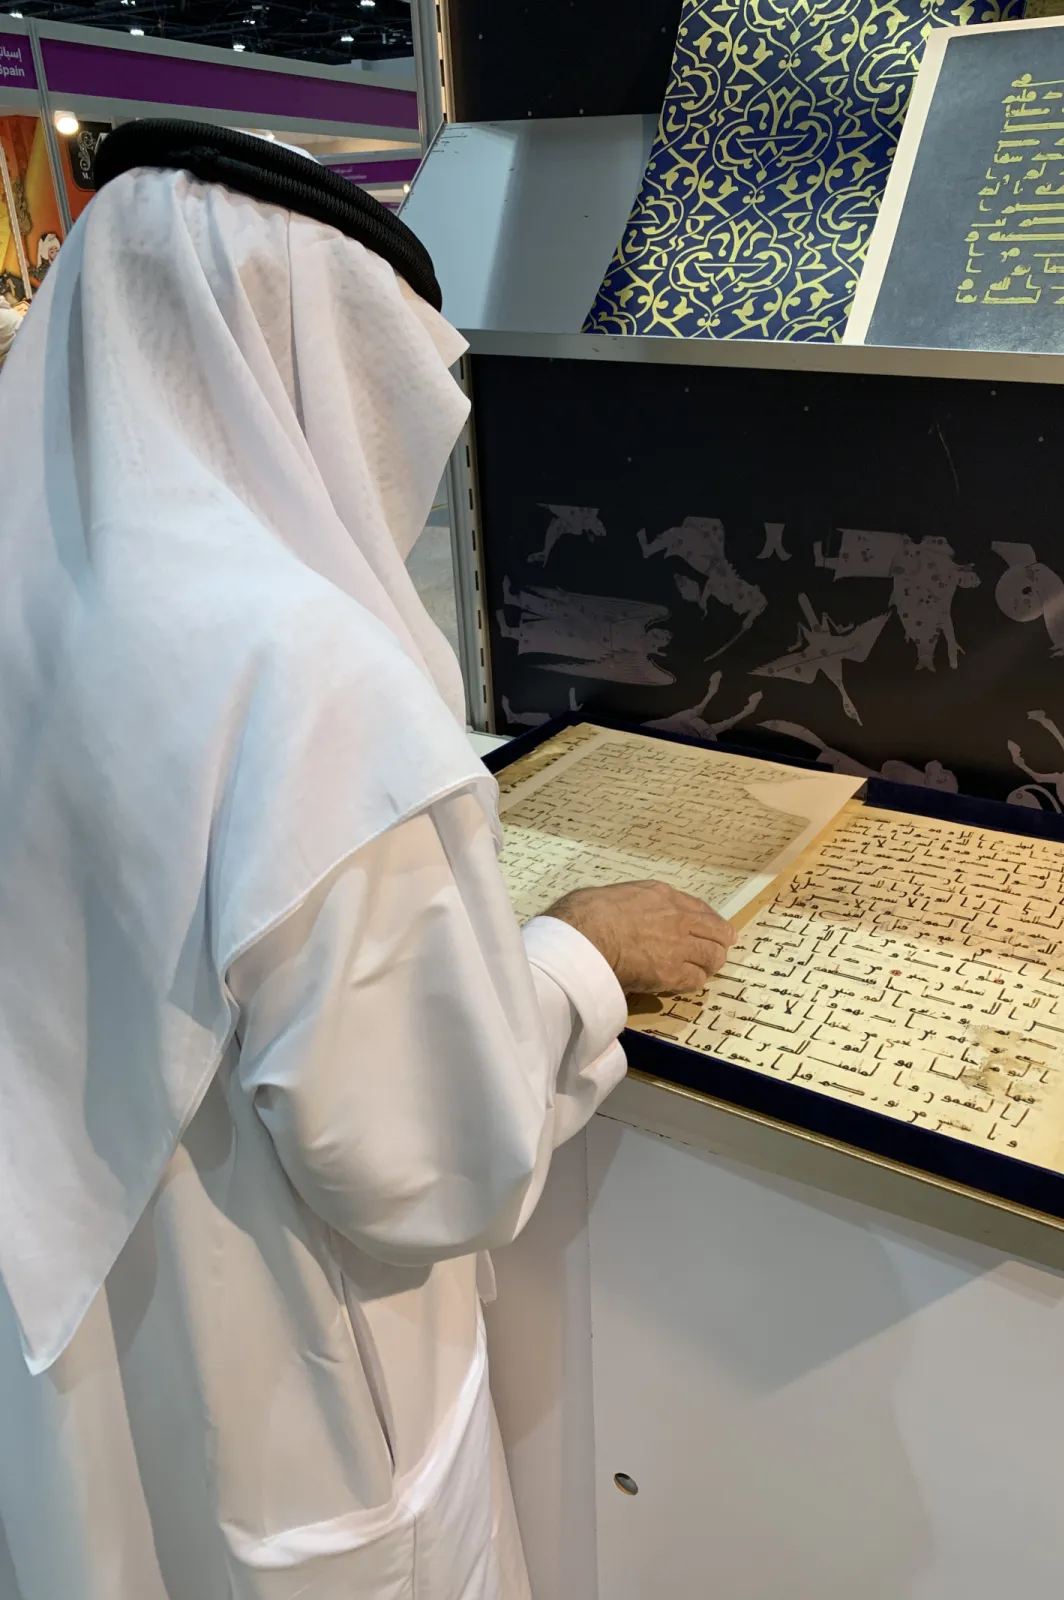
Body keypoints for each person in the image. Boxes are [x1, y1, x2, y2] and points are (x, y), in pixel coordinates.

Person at [0, 123, 734, 1600]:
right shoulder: (312, 684)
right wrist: (579, 952)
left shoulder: (38, 581)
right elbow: (419, 1159)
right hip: (299, 1414)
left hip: (88, 1359)